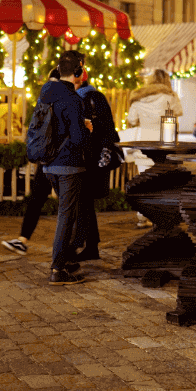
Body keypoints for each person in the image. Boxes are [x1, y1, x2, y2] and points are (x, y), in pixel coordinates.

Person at [41, 50, 92, 285]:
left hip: (49, 162)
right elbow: (77, 138)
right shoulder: (73, 99)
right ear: (79, 71)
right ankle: (58, 268)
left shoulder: (46, 93)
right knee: (66, 215)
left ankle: (67, 259)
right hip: (68, 164)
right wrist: (86, 128)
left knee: (68, 213)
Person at [3, 69, 60, 256]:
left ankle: (24, 239)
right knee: (43, 200)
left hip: (53, 159)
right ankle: (23, 240)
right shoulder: (55, 101)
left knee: (54, 201)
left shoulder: (52, 101)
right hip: (52, 159)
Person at [75, 68, 116, 262]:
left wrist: (104, 155)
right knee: (84, 202)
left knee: (84, 201)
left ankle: (83, 245)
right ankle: (89, 246)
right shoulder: (75, 97)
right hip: (83, 156)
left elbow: (108, 128)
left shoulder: (93, 97)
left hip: (93, 158)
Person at [127, 69, 183, 141]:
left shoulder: (139, 96)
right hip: (165, 137)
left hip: (144, 137)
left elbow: (132, 120)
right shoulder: (170, 97)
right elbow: (179, 112)